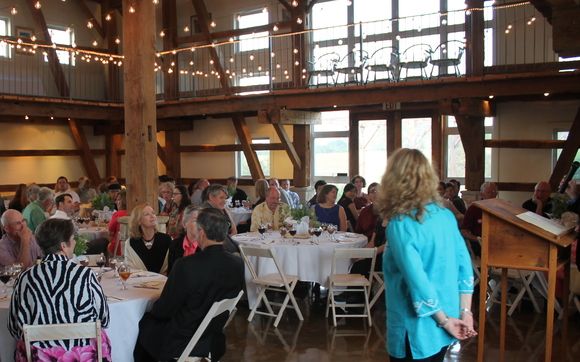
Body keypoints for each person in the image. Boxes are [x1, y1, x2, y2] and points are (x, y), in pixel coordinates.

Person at [375, 148, 475, 361]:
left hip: (416, 328)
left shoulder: (400, 224)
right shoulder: (445, 216)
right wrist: (465, 313)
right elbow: (464, 266)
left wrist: (444, 321)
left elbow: (416, 280)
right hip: (446, 317)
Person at [134, 208, 244, 362]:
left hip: (184, 339)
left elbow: (163, 310)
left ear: (202, 233)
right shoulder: (237, 263)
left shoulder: (186, 265)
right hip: (214, 337)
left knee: (142, 325)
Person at [9, 219, 110, 361]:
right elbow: (104, 320)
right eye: (73, 239)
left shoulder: (25, 277)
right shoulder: (85, 275)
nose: (74, 243)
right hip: (82, 357)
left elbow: (14, 328)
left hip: (39, 358)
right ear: (63, 246)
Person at [125, 204, 171, 274]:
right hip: (138, 283)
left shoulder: (167, 240)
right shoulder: (130, 243)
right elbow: (129, 270)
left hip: (164, 283)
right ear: (139, 221)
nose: (152, 216)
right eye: (147, 214)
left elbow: (172, 267)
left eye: (153, 213)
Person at [461, 182, 498, 257]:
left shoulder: (500, 208)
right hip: (479, 244)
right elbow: (464, 231)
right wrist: (478, 239)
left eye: (494, 192)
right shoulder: (474, 208)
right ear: (482, 194)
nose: (492, 195)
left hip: (497, 242)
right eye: (488, 193)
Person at [167, 205, 200, 274]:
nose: (199, 224)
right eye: (195, 220)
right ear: (184, 224)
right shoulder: (174, 244)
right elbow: (171, 273)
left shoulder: (206, 246)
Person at [107, 190, 128, 257]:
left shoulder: (117, 214)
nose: (116, 202)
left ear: (124, 201)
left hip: (118, 248)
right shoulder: (133, 213)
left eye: (118, 200)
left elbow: (110, 232)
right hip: (131, 249)